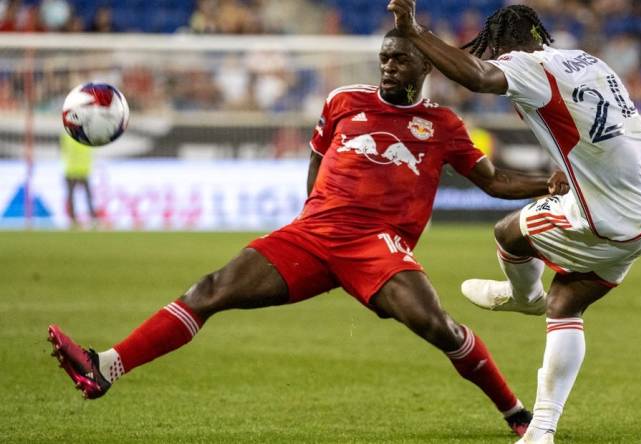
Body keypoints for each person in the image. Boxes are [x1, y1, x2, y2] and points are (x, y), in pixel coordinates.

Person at [48, 29, 569, 436]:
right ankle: (106, 367)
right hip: (313, 233)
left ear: (427, 65)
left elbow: (493, 180)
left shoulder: (443, 126)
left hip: (376, 244)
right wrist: (310, 213)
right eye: (385, 57)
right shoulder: (344, 100)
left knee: (439, 328)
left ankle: (516, 412)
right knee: (208, 290)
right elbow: (317, 155)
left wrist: (545, 184)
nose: (389, 66)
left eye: (400, 58)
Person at [386, 2, 641, 443]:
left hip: (607, 219)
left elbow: (478, 77)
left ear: (504, 46)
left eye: (494, 52)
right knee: (565, 305)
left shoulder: (525, 65)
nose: (494, 60)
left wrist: (415, 30)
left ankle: (523, 297)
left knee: (508, 234)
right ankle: (541, 431)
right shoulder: (588, 60)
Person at [61, 131, 98, 228]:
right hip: (78, 169)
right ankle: (90, 218)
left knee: (74, 196)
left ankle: (74, 219)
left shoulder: (67, 135)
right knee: (86, 196)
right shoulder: (87, 135)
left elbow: (63, 150)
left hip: (73, 169)